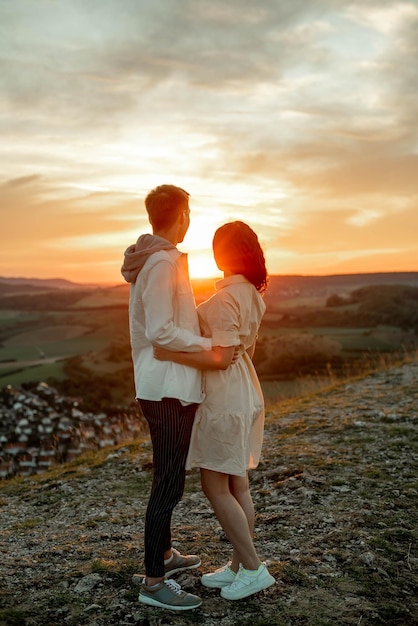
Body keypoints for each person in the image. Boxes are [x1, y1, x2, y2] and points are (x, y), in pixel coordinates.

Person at [154, 220, 275, 601]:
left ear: (222, 253)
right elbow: (245, 352)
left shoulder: (224, 300)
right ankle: (239, 565)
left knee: (215, 485)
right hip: (245, 390)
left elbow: (222, 358)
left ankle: (253, 568)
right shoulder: (252, 295)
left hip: (224, 398)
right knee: (238, 482)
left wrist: (169, 352)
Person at [121, 184, 214, 611]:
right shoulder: (160, 263)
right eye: (188, 213)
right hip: (167, 388)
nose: (190, 220)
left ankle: (163, 555)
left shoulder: (160, 260)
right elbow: (160, 332)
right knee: (169, 483)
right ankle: (154, 582)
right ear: (180, 216)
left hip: (167, 384)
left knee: (168, 477)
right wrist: (207, 349)